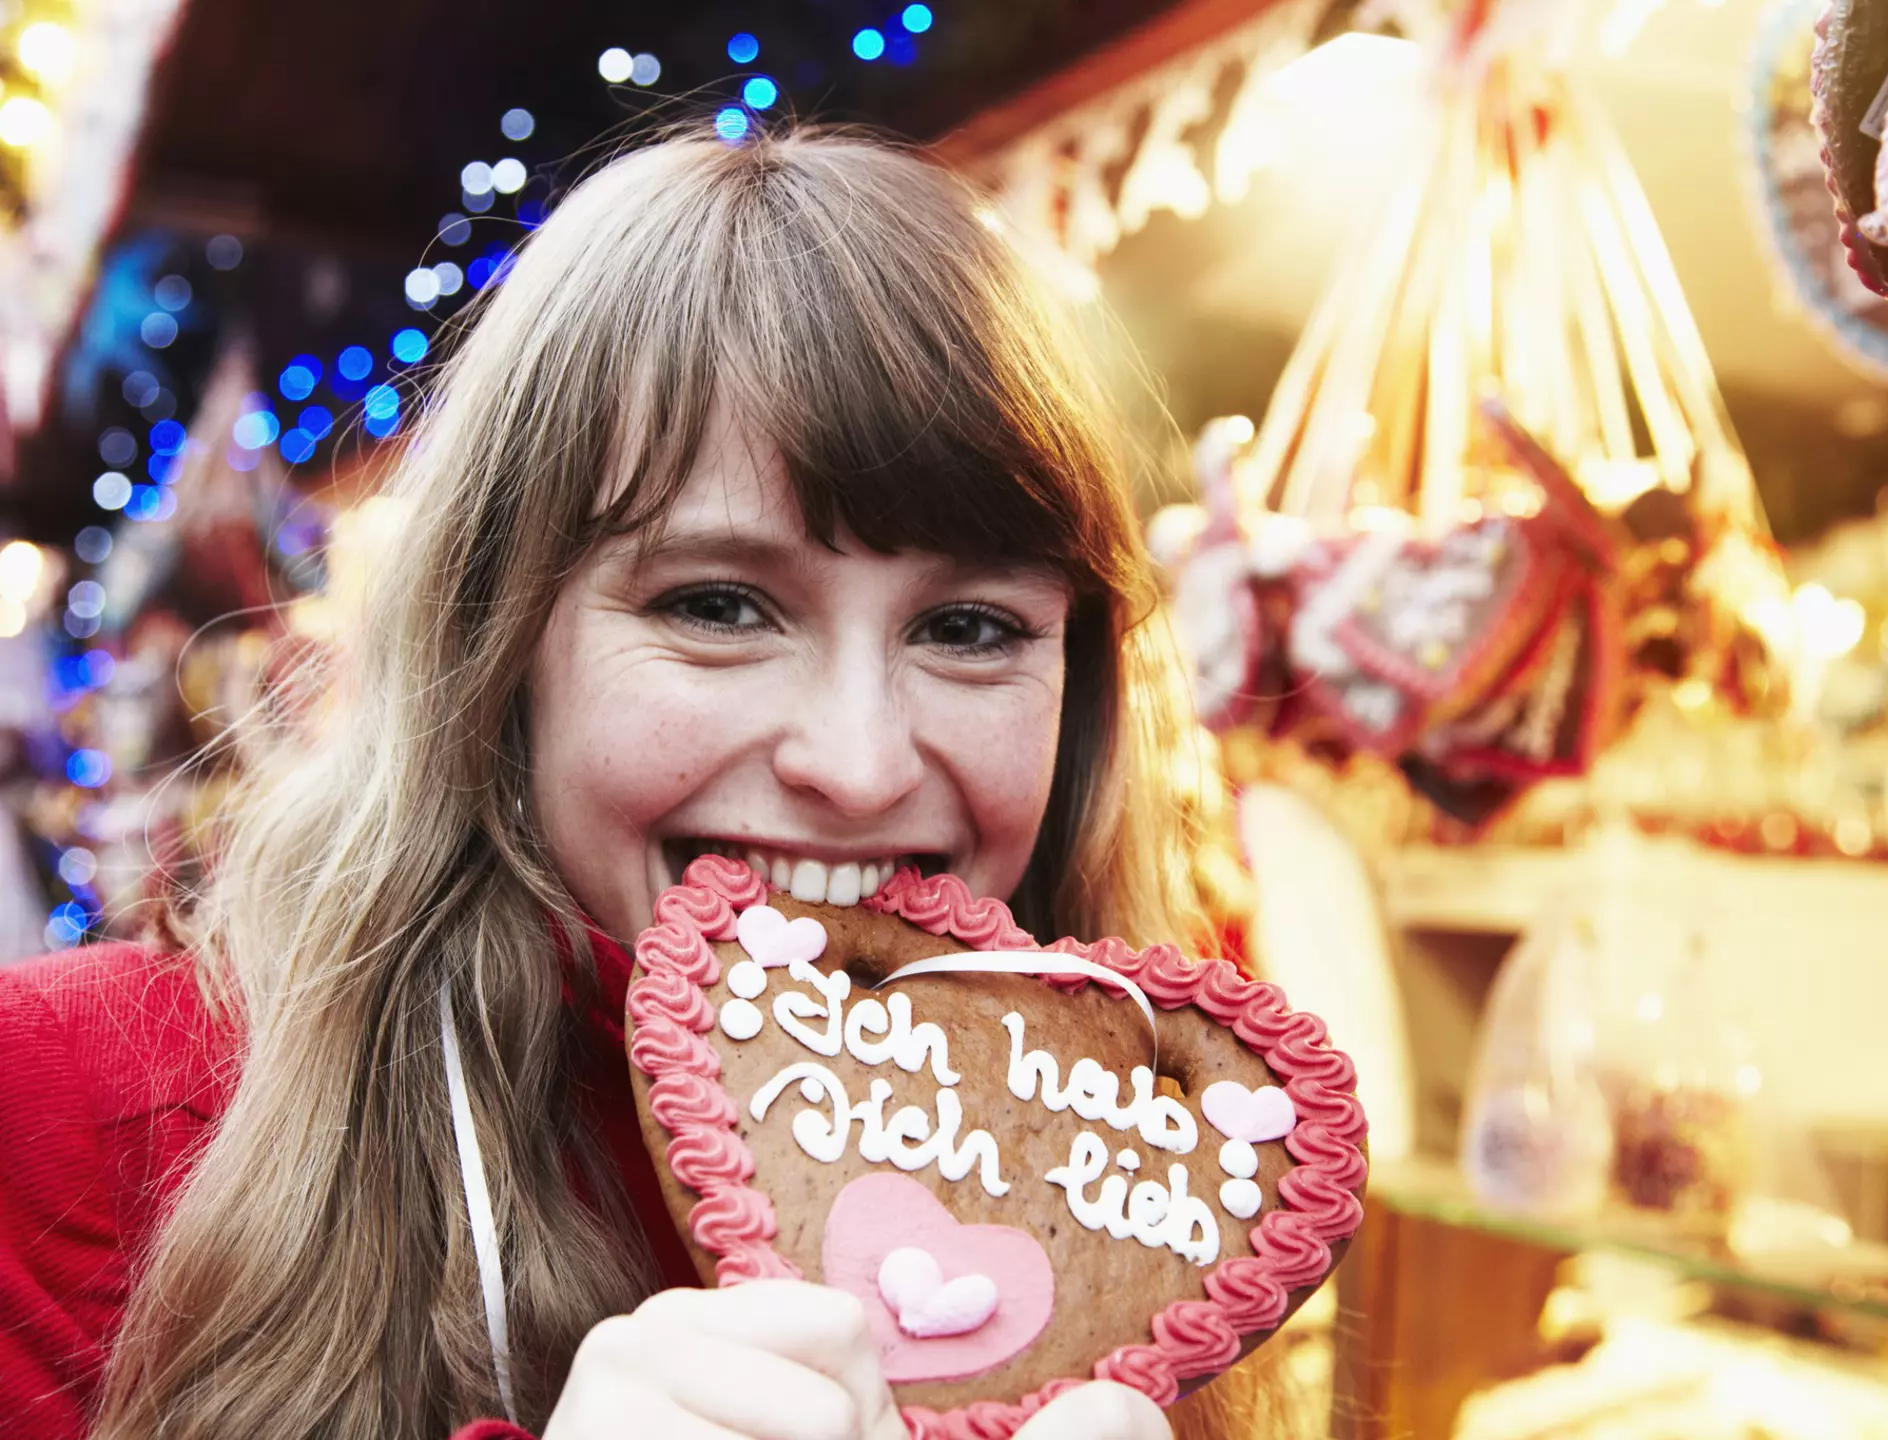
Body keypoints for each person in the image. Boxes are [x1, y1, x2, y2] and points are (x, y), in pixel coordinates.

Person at [0, 129, 1229, 1440]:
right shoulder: (73, 1112)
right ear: (500, 640)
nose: (861, 768)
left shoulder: (1128, 1199)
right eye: (718, 604)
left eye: (971, 629)